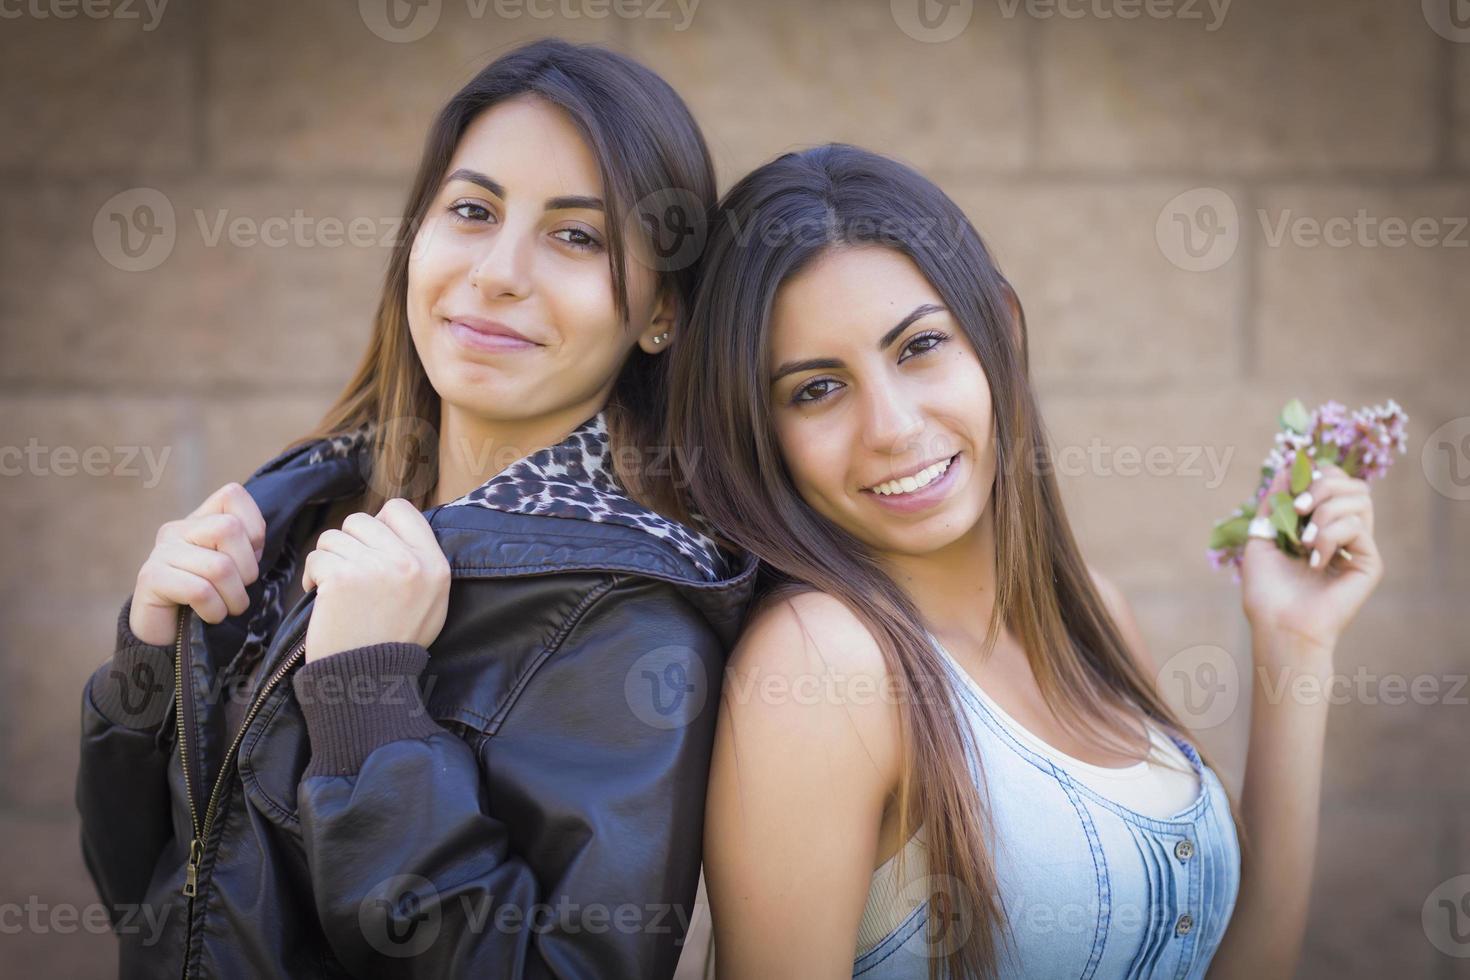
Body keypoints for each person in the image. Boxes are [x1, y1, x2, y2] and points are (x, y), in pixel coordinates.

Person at [76, 38, 755, 979]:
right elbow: (150, 898)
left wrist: (372, 702)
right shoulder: (308, 511)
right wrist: (151, 666)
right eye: (472, 211)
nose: (496, 272)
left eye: (576, 236)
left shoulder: (631, 621)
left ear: (659, 313)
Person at [669, 144, 1384, 978]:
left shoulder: (1094, 618)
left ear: (1000, 329)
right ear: (761, 434)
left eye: (919, 346)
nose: (893, 426)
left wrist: (1295, 646)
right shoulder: (823, 662)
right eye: (816, 390)